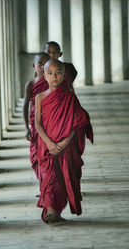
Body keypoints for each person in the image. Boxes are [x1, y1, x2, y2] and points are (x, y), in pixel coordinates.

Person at [35, 59, 93, 224]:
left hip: (65, 147)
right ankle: (51, 211)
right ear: (44, 76)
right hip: (46, 146)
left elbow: (76, 124)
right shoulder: (40, 98)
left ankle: (56, 211)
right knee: (49, 178)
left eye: (58, 73)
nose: (54, 76)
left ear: (63, 75)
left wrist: (63, 143)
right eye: (50, 73)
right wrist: (49, 143)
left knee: (62, 179)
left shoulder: (69, 97)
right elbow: (37, 124)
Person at [23, 52, 50, 186]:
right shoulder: (31, 84)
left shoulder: (53, 83)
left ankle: (48, 187)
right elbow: (25, 106)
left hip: (50, 124)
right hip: (35, 124)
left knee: (48, 155)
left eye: (46, 63)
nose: (43, 67)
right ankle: (43, 185)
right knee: (35, 156)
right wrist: (26, 128)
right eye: (40, 64)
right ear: (34, 66)